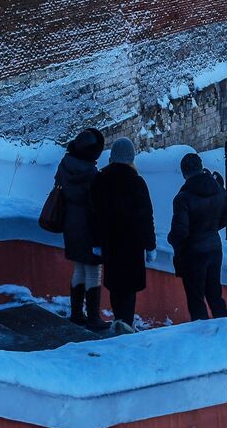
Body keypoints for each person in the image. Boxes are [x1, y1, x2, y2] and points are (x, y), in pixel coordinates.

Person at [90, 138, 156, 334]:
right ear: (131, 157)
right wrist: (150, 246)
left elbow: (93, 215)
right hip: (132, 245)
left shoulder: (100, 180)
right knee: (128, 289)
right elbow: (146, 217)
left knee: (116, 286)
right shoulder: (137, 182)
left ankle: (119, 320)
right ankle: (125, 325)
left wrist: (96, 242)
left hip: (110, 243)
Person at [168, 147, 227, 321]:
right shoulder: (218, 188)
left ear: (184, 173)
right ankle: (225, 331)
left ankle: (203, 337)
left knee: (196, 299)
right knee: (215, 295)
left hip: (193, 254)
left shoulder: (183, 198)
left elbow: (180, 232)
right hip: (214, 248)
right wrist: (210, 229)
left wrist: (174, 239)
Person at [56, 128, 109, 330]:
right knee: (94, 270)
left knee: (78, 267)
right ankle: (94, 317)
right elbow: (96, 208)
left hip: (70, 224)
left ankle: (77, 313)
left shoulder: (65, 164)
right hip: (88, 227)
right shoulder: (92, 174)